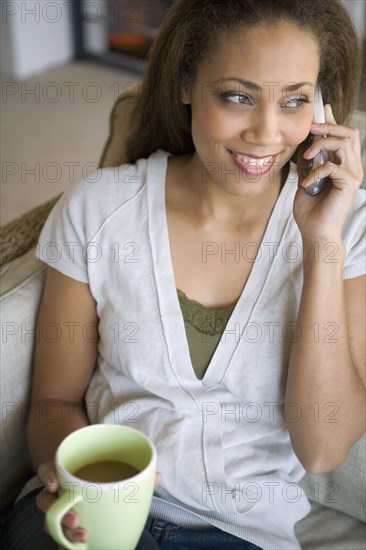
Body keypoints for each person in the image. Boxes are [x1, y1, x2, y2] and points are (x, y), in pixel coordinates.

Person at [2, 0, 365, 548]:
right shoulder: (98, 210)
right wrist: (70, 478)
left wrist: (321, 249)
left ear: (320, 105)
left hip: (239, 535)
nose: (267, 134)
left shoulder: (347, 226)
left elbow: (323, 448)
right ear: (186, 83)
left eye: (293, 101)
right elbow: (54, 403)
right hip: (94, 510)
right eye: (238, 96)